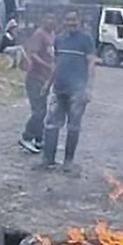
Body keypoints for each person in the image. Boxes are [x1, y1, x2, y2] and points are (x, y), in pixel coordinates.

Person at [39, 10, 97, 172]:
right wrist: (47, 84)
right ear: (63, 21)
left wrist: (88, 89)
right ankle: (47, 159)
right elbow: (56, 64)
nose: (71, 23)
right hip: (59, 89)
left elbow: (91, 64)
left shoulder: (86, 40)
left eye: (74, 20)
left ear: (80, 21)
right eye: (68, 20)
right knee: (51, 125)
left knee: (73, 126)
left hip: (77, 92)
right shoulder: (59, 39)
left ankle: (68, 161)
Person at [18, 12, 57, 153]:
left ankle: (39, 139)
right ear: (43, 20)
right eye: (48, 18)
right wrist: (48, 66)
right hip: (35, 78)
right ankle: (26, 137)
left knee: (43, 110)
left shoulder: (53, 35)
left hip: (46, 79)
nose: (50, 21)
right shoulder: (39, 34)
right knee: (38, 111)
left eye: (53, 18)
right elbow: (33, 54)